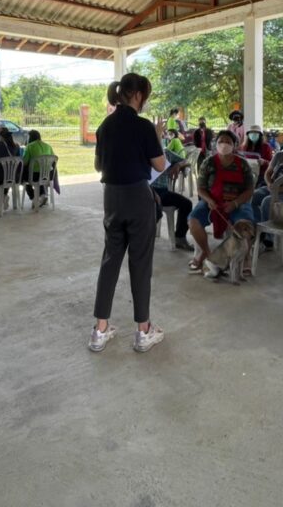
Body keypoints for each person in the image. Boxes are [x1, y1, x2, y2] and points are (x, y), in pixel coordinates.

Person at [91, 73, 167, 354]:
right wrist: (156, 137)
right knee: (140, 263)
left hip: (112, 198)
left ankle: (100, 330)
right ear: (137, 95)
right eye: (145, 95)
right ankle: (143, 331)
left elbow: (99, 166)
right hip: (137, 198)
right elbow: (159, 165)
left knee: (110, 260)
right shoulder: (143, 126)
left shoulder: (105, 125)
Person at [187, 129, 255, 276]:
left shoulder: (242, 164)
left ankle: (245, 257)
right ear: (215, 144)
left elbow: (250, 190)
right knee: (193, 221)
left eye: (228, 142)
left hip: (238, 202)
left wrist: (235, 203)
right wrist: (209, 200)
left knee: (246, 224)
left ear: (234, 145)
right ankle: (206, 252)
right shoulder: (208, 162)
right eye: (221, 141)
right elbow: (200, 188)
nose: (224, 144)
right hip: (212, 202)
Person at [151, 142, 195, 252]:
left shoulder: (167, 153)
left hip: (163, 191)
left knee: (187, 204)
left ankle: (180, 238)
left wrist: (178, 165)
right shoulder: (142, 152)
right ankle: (141, 239)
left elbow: (185, 161)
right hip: (145, 191)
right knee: (152, 210)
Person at [22, 130, 56, 206]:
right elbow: (53, 159)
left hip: (35, 176)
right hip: (47, 175)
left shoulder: (29, 146)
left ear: (29, 138)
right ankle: (42, 194)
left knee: (23, 179)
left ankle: (34, 198)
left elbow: (24, 162)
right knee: (38, 178)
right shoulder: (48, 146)